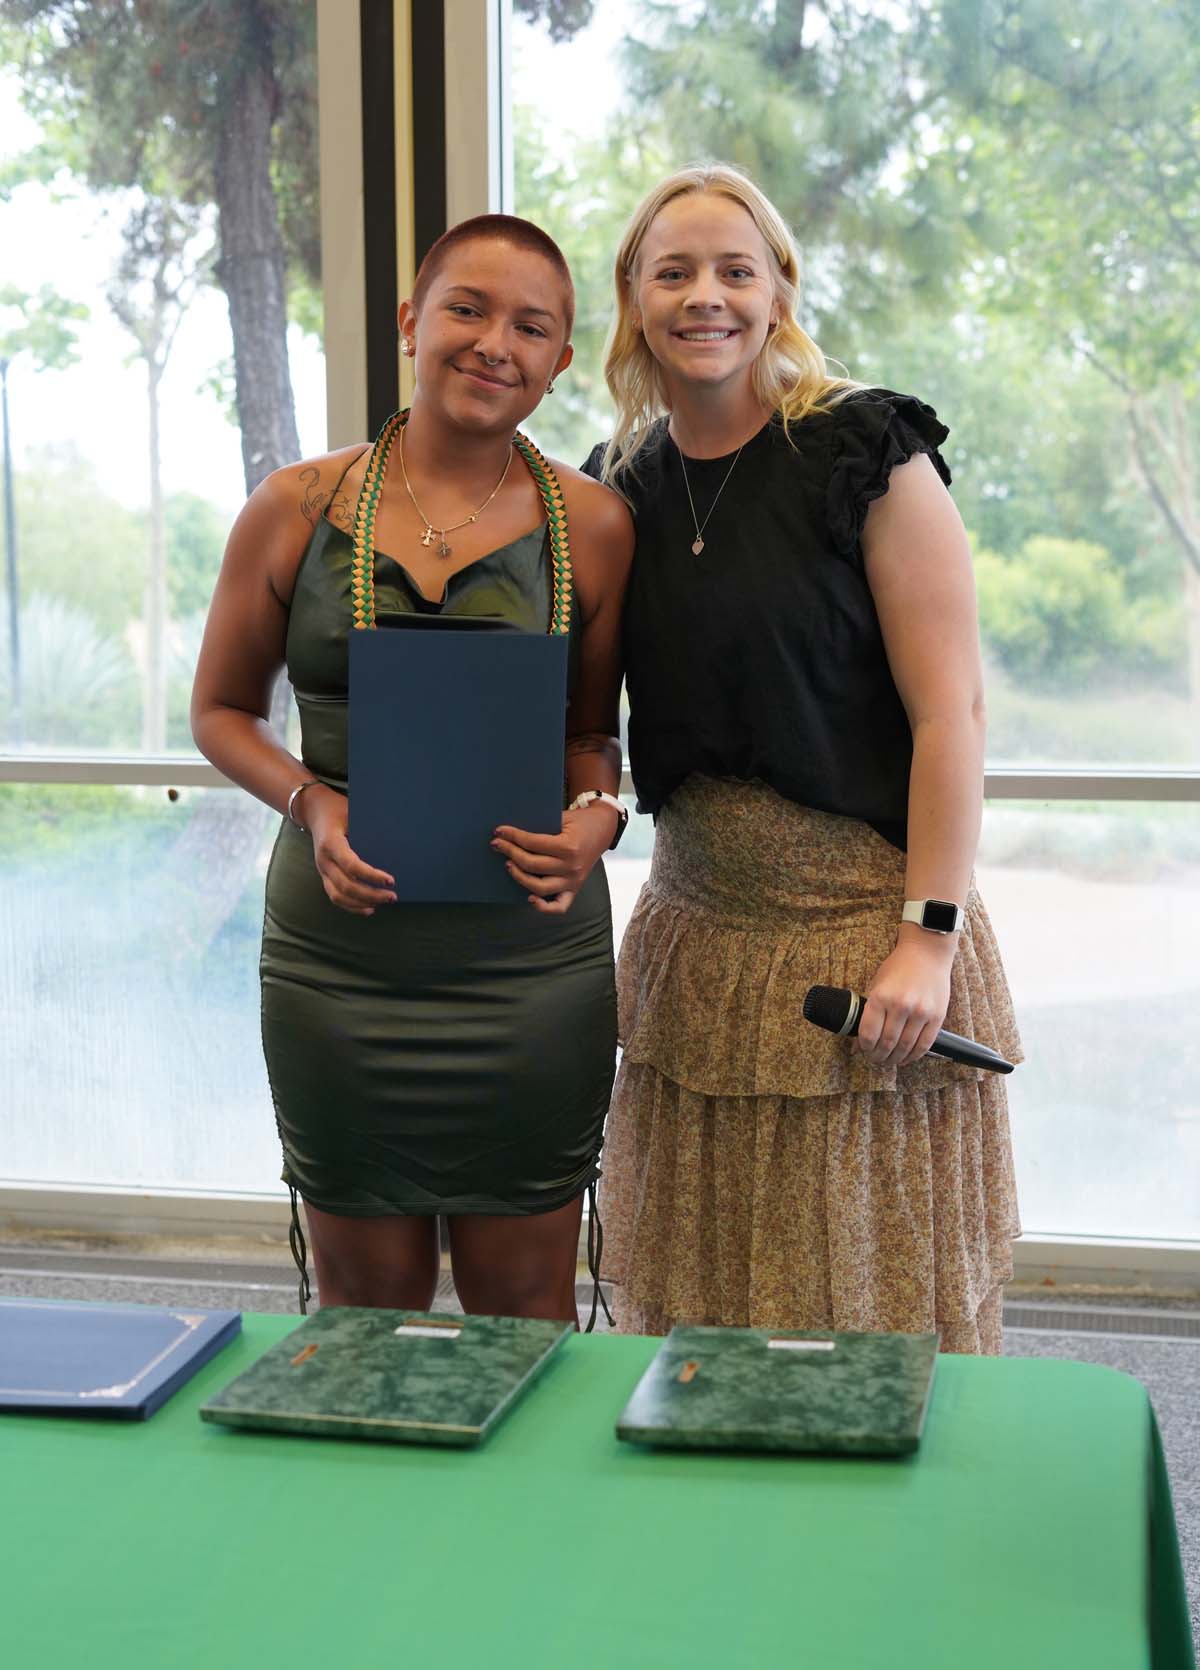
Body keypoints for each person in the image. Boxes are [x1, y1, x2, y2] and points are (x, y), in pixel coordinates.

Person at [580, 165, 1022, 1354]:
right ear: (633, 297)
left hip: (865, 942)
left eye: (736, 268)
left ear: (780, 288)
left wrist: (927, 939)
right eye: (673, 271)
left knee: (872, 1310)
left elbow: (953, 715)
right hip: (697, 944)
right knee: (696, 1306)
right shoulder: (615, 486)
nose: (705, 295)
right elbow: (582, 718)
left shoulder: (861, 450)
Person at [192, 214, 633, 1326]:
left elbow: (595, 738)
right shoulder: (296, 507)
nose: (496, 343)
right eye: (468, 309)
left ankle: (524, 1512)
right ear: (411, 322)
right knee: (364, 1307)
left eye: (532, 327)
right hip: (340, 971)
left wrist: (596, 817)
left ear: (560, 363)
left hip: (531, 971)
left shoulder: (594, 524)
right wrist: (311, 798)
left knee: (525, 1307)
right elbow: (220, 711)